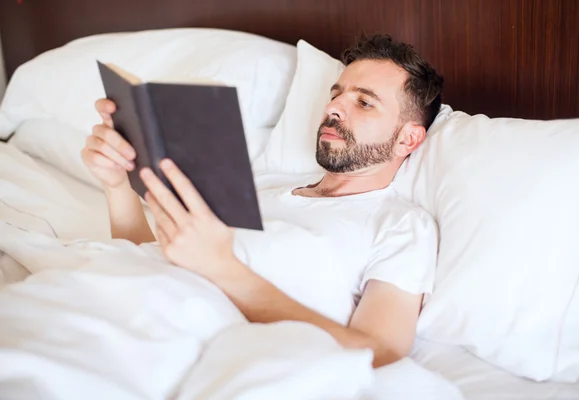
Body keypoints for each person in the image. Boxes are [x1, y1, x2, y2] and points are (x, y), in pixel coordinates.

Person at [81, 34, 444, 368]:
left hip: (195, 349)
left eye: (364, 102)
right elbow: (151, 261)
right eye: (336, 94)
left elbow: (380, 354)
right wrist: (117, 185)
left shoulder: (402, 225)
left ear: (407, 140)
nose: (334, 108)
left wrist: (222, 268)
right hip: (129, 307)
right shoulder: (261, 186)